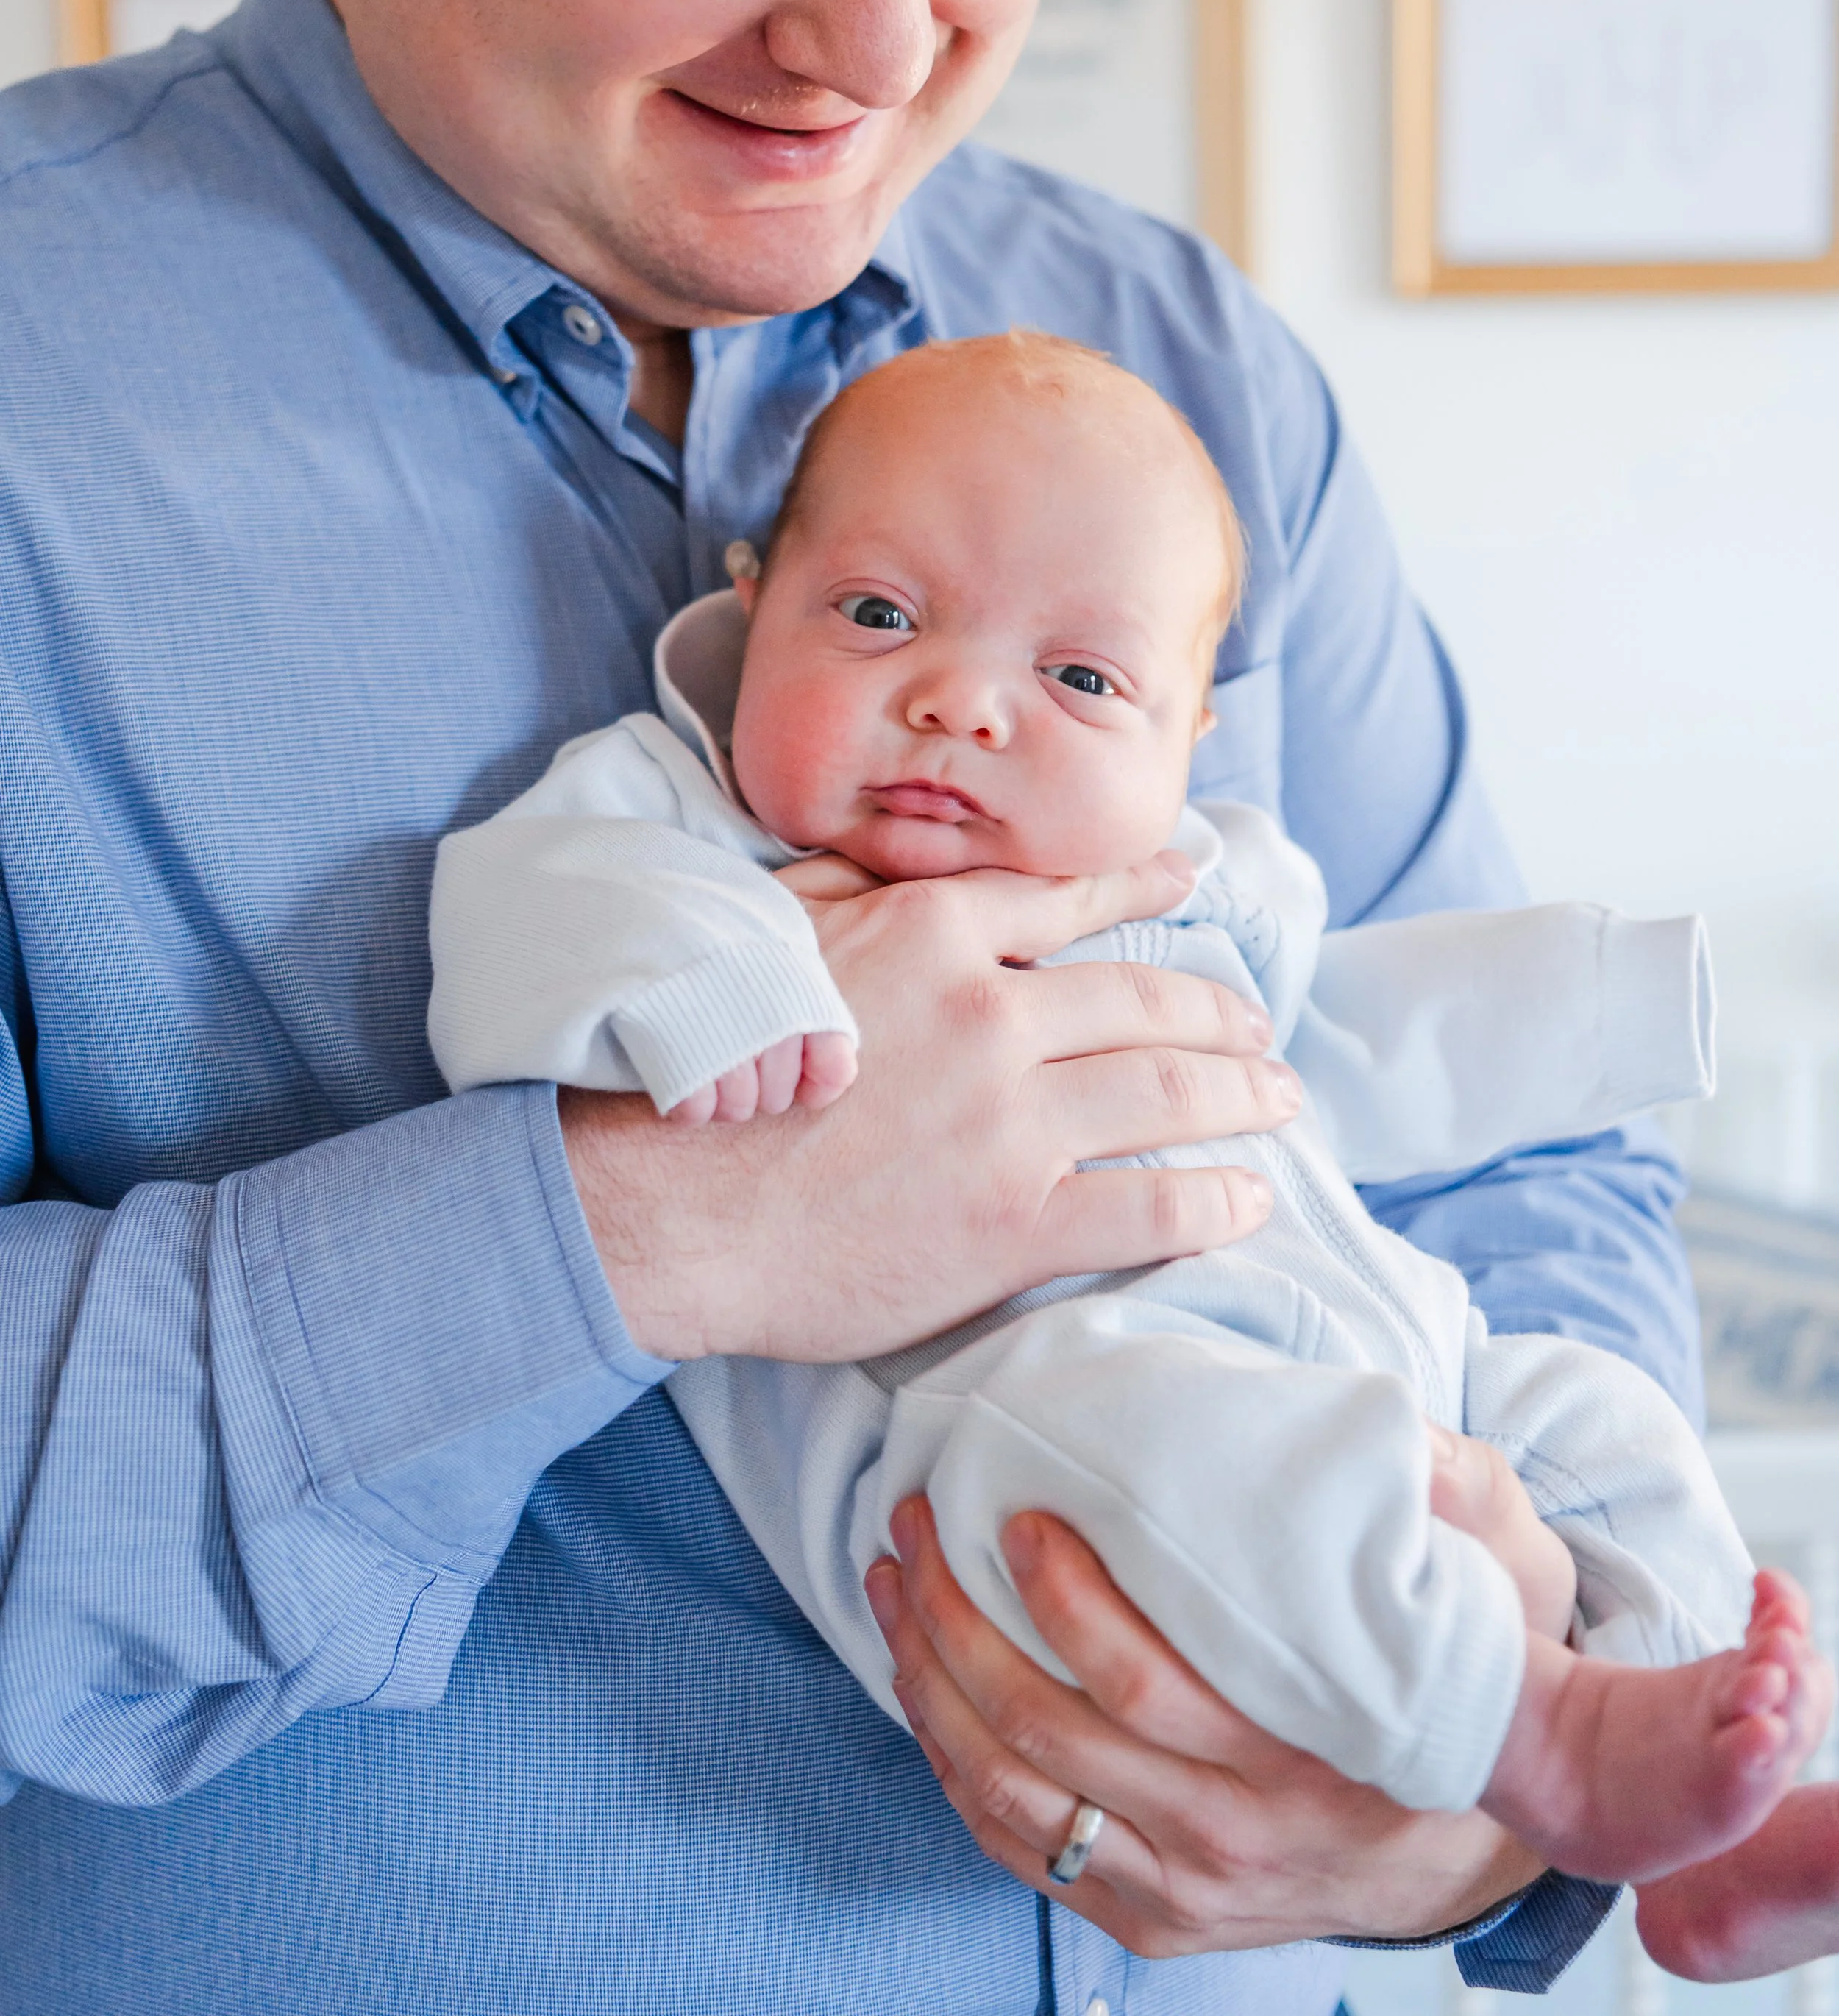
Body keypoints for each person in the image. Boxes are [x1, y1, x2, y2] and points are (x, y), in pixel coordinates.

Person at [0, 0, 1747, 2006]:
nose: (884, 33)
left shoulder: (1179, 380)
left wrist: (1466, 1817)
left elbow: (1518, 1166)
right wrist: (658, 1229)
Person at [427, 329, 1830, 1892]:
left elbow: (1343, 1044)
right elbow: (511, 926)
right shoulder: (676, 824)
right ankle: (1539, 1735)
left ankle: (1693, 1821)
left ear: (1186, 737)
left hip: (1391, 1368)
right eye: (879, 616)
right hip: (1019, 1438)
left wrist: (1595, 1011)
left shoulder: (1195, 882)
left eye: (1081, 677)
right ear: (755, 604)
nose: (959, 704)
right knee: (1185, 1440)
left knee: (1594, 1416)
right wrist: (711, 994)